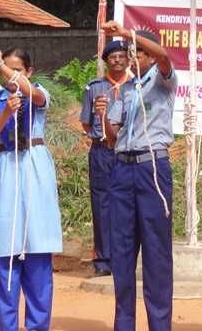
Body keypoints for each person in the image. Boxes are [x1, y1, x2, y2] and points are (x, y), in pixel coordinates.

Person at [100, 21, 178, 331]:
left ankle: (159, 325)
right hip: (122, 168)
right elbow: (112, 138)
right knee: (122, 250)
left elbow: (165, 57)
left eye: (140, 52)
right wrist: (104, 117)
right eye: (135, 52)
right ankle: (124, 324)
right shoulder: (126, 90)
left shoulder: (162, 81)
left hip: (151, 169)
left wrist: (127, 33)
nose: (135, 57)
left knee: (156, 253)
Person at [0, 46, 63, 331]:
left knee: (38, 247)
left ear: (29, 72)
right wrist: (5, 112)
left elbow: (33, 94)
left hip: (35, 166)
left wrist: (1, 65)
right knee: (6, 245)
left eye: (17, 70)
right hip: (5, 165)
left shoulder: (37, 93)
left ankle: (38, 325)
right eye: (6, 71)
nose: (10, 77)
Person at [79, 40, 130, 277]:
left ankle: (125, 256)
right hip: (101, 151)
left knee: (127, 204)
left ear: (128, 59)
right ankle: (103, 259)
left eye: (121, 56)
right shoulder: (95, 87)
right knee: (102, 204)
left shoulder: (136, 86)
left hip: (128, 152)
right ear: (106, 61)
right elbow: (86, 121)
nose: (117, 60)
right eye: (113, 57)